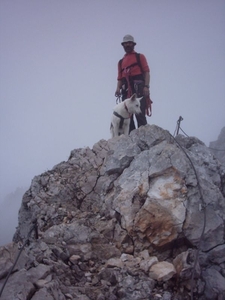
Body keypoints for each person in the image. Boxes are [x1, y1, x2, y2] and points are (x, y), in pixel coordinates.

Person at [115, 34, 151, 132]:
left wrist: (146, 86)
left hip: (139, 88)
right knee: (127, 116)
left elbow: (146, 72)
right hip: (126, 90)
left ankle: (144, 135)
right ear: (123, 45)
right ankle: (132, 138)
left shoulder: (140, 57)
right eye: (125, 43)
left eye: (129, 43)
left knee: (140, 114)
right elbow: (120, 78)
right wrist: (118, 89)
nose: (127, 45)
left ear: (133, 44)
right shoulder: (120, 62)